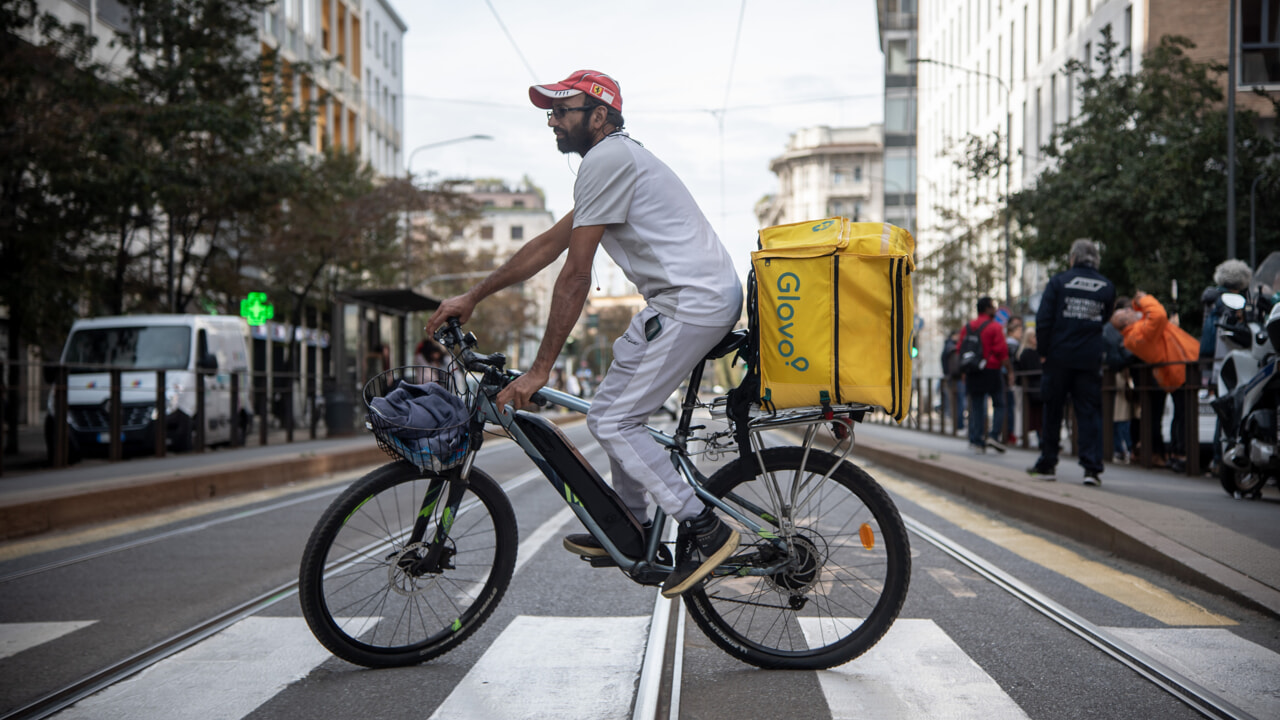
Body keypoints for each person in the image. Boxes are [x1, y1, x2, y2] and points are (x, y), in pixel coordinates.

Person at [425, 70, 743, 599]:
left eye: (561, 111)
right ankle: (632, 526)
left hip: (696, 302)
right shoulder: (610, 165)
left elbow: (575, 274)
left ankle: (705, 530)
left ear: (600, 116)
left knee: (618, 422)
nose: (552, 121)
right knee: (607, 415)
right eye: (550, 112)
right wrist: (473, 296)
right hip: (677, 302)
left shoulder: (609, 158)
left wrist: (540, 369)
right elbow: (546, 246)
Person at [1027, 239, 1116, 486]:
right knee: (1088, 412)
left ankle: (1048, 463)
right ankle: (1092, 469)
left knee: (1053, 409)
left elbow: (1044, 320)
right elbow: (1105, 318)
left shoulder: (1059, 282)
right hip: (1089, 358)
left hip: (1059, 356)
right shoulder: (1107, 286)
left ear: (1073, 258)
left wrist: (1043, 352)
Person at [1111, 291, 1200, 472]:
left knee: (1181, 414)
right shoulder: (1139, 333)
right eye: (1127, 313)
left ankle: (1177, 454)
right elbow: (1158, 314)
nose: (1131, 311)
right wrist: (1143, 299)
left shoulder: (1134, 335)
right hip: (1180, 369)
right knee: (1184, 414)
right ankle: (1181, 455)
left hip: (1174, 370)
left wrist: (1138, 307)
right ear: (1125, 322)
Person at [958, 297, 1009, 453]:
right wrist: (1010, 370)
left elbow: (960, 348)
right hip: (992, 369)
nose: (995, 310)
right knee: (999, 403)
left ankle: (977, 440)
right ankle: (993, 435)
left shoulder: (967, 327)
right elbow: (1001, 351)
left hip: (973, 370)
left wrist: (963, 372)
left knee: (977, 406)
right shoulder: (994, 327)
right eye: (993, 307)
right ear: (987, 309)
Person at [1013, 328, 1043, 446]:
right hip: (1032, 388)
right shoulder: (1028, 353)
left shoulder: (1026, 352)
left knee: (1036, 414)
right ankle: (1031, 437)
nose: (1036, 339)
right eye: (1034, 336)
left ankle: (1036, 437)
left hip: (1033, 388)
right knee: (1033, 414)